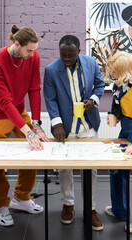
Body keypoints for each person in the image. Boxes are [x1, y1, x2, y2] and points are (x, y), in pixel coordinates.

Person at [0, 25, 49, 227]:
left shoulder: (32, 56)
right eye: (29, 50)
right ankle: (1, 204)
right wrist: (27, 132)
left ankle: (21, 197)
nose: (32, 54)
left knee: (33, 149)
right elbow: (3, 101)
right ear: (16, 44)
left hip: (18, 109)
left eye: (34, 50)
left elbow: (34, 89)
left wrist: (35, 125)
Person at [43, 35, 105, 230]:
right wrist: (57, 123)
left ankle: (91, 209)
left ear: (79, 51)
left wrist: (93, 100)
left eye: (71, 55)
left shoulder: (91, 63)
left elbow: (100, 85)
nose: (66, 58)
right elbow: (50, 99)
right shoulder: (51, 70)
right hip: (65, 128)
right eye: (63, 54)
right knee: (64, 169)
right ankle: (68, 205)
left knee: (91, 170)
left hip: (88, 126)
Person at [104, 51, 132, 233]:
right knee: (117, 168)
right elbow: (124, 106)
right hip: (127, 126)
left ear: (124, 71)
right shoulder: (123, 84)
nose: (111, 75)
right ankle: (119, 210)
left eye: (114, 72)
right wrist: (115, 116)